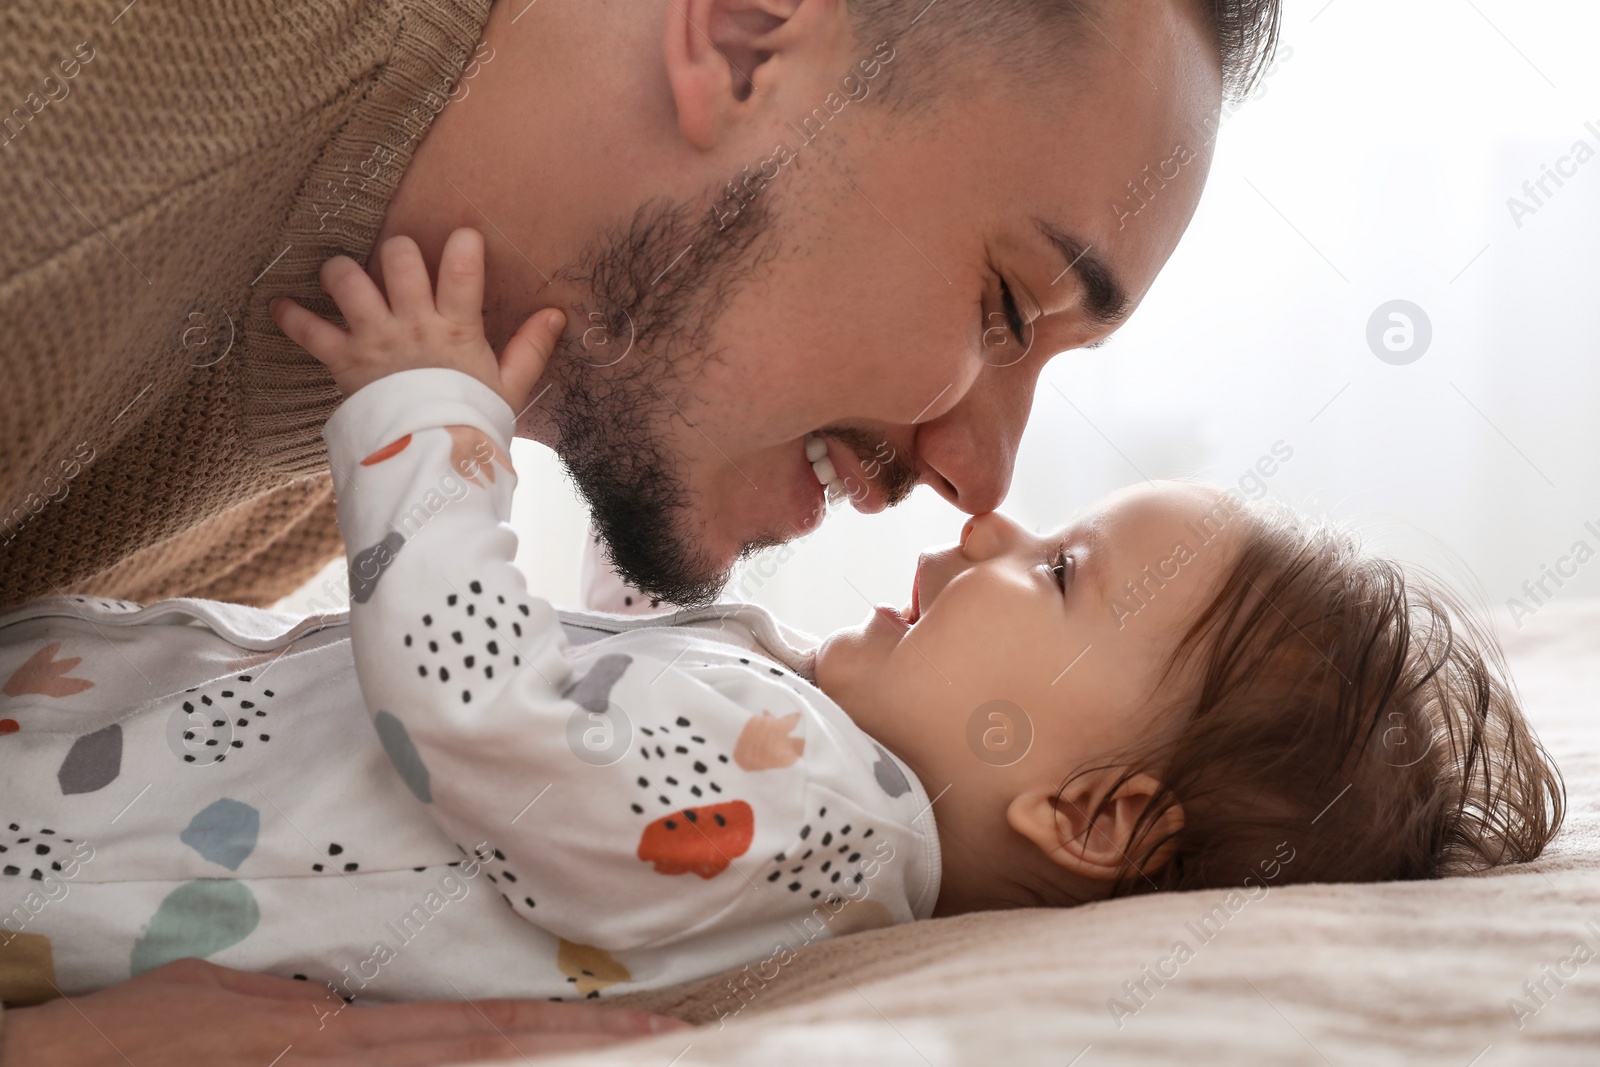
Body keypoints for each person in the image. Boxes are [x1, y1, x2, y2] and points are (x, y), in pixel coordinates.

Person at [0, 0, 1286, 1059]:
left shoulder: (345, 438)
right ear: (741, 37)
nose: (982, 480)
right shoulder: (71, 175)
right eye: (1006, 304)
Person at [1, 230, 1562, 1016]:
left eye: (1064, 573)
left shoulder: (816, 814)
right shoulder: (805, 774)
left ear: (1091, 811)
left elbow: (478, 700)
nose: (990, 522)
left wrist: (426, 414)